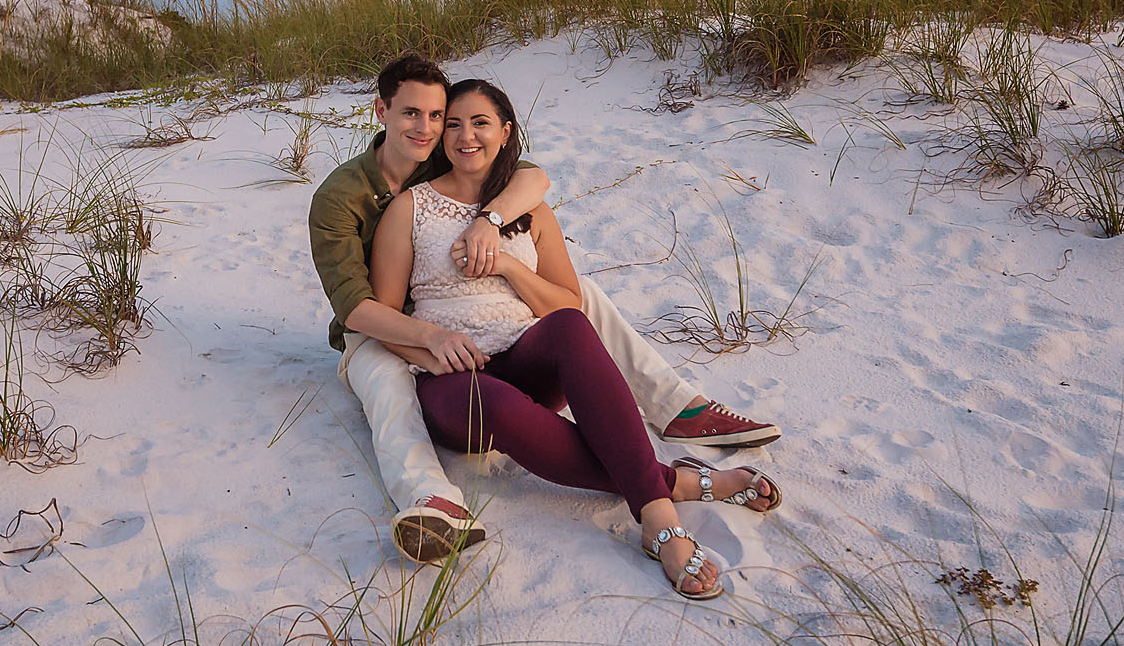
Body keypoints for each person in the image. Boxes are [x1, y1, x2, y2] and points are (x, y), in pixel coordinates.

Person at [308, 52, 780, 565]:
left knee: (576, 317)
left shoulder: (504, 188)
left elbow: (531, 179)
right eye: (416, 116)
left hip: (518, 347)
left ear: (504, 131)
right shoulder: (359, 198)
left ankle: (676, 415)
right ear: (382, 113)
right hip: (409, 343)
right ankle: (661, 495)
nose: (440, 130)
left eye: (442, 117)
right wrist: (429, 341)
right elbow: (366, 308)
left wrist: (500, 244)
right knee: (392, 386)